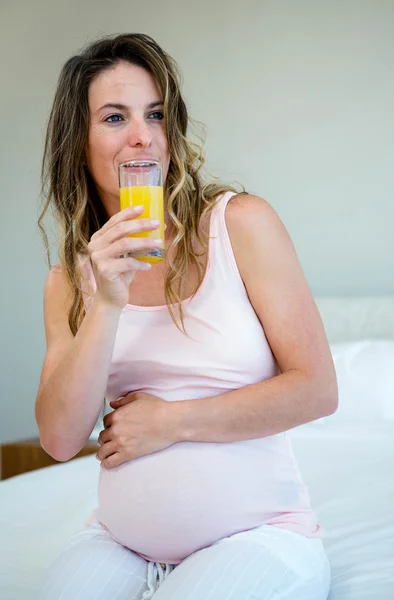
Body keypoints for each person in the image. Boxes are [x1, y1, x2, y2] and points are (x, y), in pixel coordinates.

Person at [35, 32, 337, 600]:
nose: (143, 136)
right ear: (78, 142)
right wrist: (106, 300)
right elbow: (59, 437)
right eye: (115, 117)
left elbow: (317, 390)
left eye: (155, 113)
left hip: (260, 535)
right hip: (122, 542)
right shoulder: (68, 280)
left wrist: (171, 422)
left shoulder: (239, 224)